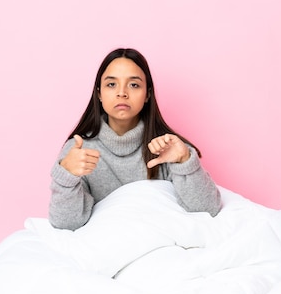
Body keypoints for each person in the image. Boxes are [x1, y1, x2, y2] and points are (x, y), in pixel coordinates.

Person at [49, 48, 222, 230]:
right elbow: (65, 224)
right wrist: (66, 176)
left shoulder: (168, 147)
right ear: (99, 93)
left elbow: (208, 210)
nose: (122, 93)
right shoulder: (78, 151)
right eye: (111, 84)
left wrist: (185, 161)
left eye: (134, 85)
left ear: (147, 94)